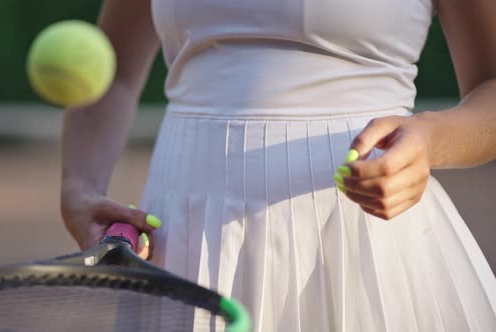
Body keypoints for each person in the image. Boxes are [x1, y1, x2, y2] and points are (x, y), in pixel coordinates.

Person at [61, 0, 496, 330]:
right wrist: (79, 188)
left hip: (367, 243)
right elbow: (107, 68)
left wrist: (431, 140)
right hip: (183, 238)